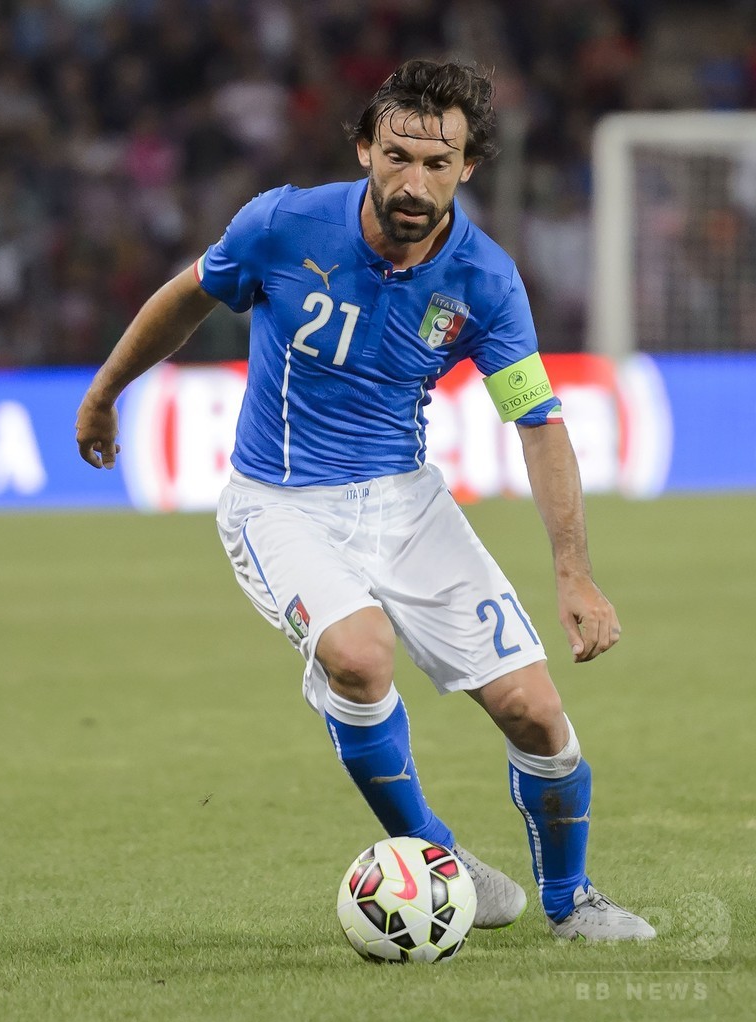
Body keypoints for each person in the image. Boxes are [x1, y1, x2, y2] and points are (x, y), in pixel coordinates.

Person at [76, 59, 655, 941]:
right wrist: (104, 392)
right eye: (398, 156)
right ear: (364, 150)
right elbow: (189, 297)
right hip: (280, 502)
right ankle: (435, 855)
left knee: (535, 713)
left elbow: (538, 424)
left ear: (468, 167)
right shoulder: (282, 223)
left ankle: (571, 902)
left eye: (438, 163)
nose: (414, 182)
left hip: (406, 502)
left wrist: (574, 573)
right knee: (357, 655)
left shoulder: (486, 281)